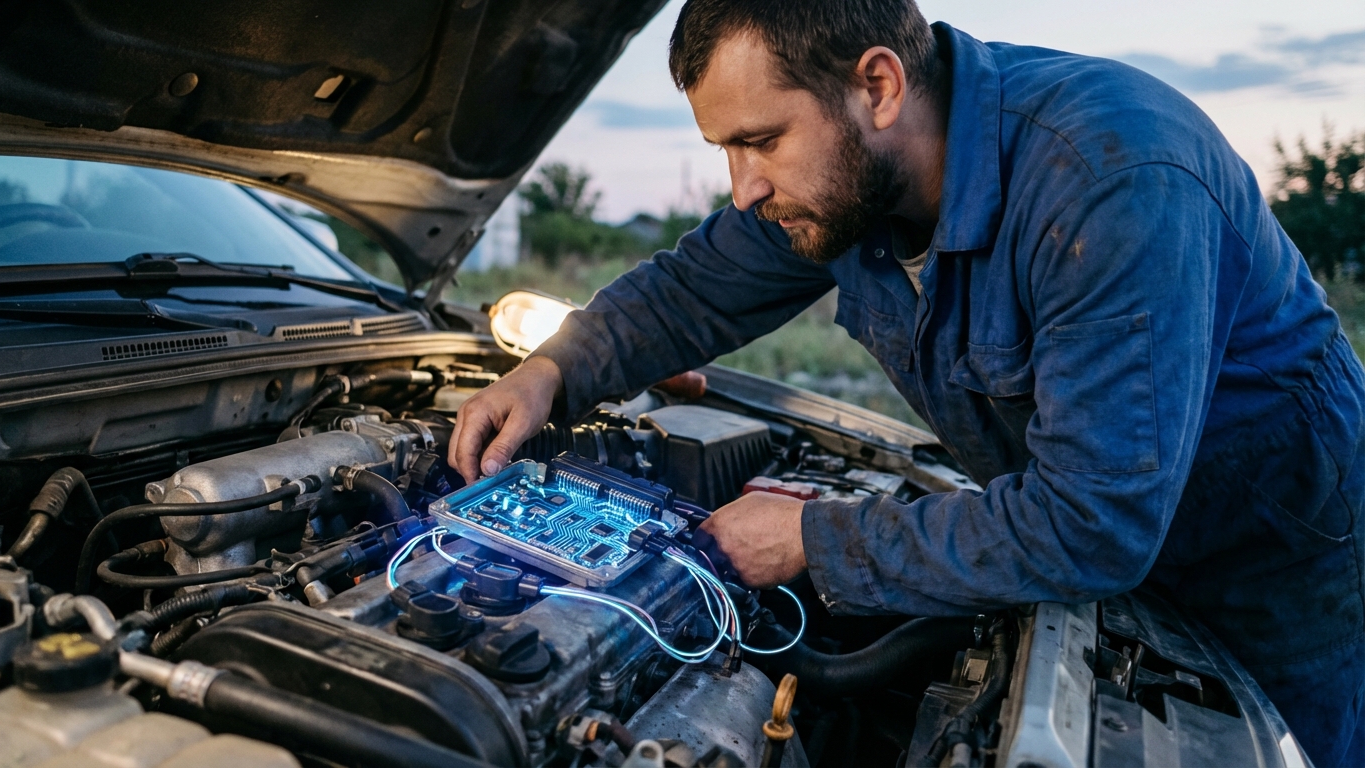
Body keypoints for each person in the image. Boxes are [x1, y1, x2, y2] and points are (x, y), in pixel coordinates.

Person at [448, 1, 1365, 763]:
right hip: (1112, 560)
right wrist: (552, 370)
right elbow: (694, 288)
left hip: (1278, 574)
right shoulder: (845, 185)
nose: (743, 187)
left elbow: (1095, 520)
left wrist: (816, 537)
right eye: (725, 147)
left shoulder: (1109, 179)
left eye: (760, 140)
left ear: (878, 86)